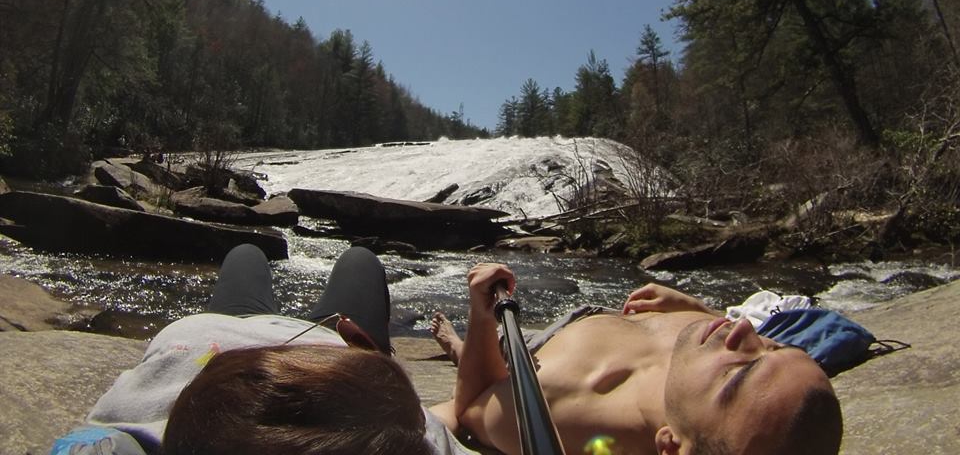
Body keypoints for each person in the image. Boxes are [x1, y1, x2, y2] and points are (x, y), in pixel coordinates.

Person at [76, 243, 467, 455]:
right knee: (358, 259)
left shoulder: (128, 440)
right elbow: (461, 412)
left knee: (246, 254)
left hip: (220, 333)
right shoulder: (409, 434)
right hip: (330, 340)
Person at [428, 264, 843, 455]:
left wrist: (481, 315)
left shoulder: (573, 414)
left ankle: (459, 344)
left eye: (737, 373)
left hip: (539, 349)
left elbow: (468, 409)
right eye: (775, 346)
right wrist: (697, 307)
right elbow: (743, 336)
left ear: (670, 446)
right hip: (614, 320)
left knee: (498, 347)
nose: (746, 332)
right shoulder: (721, 346)